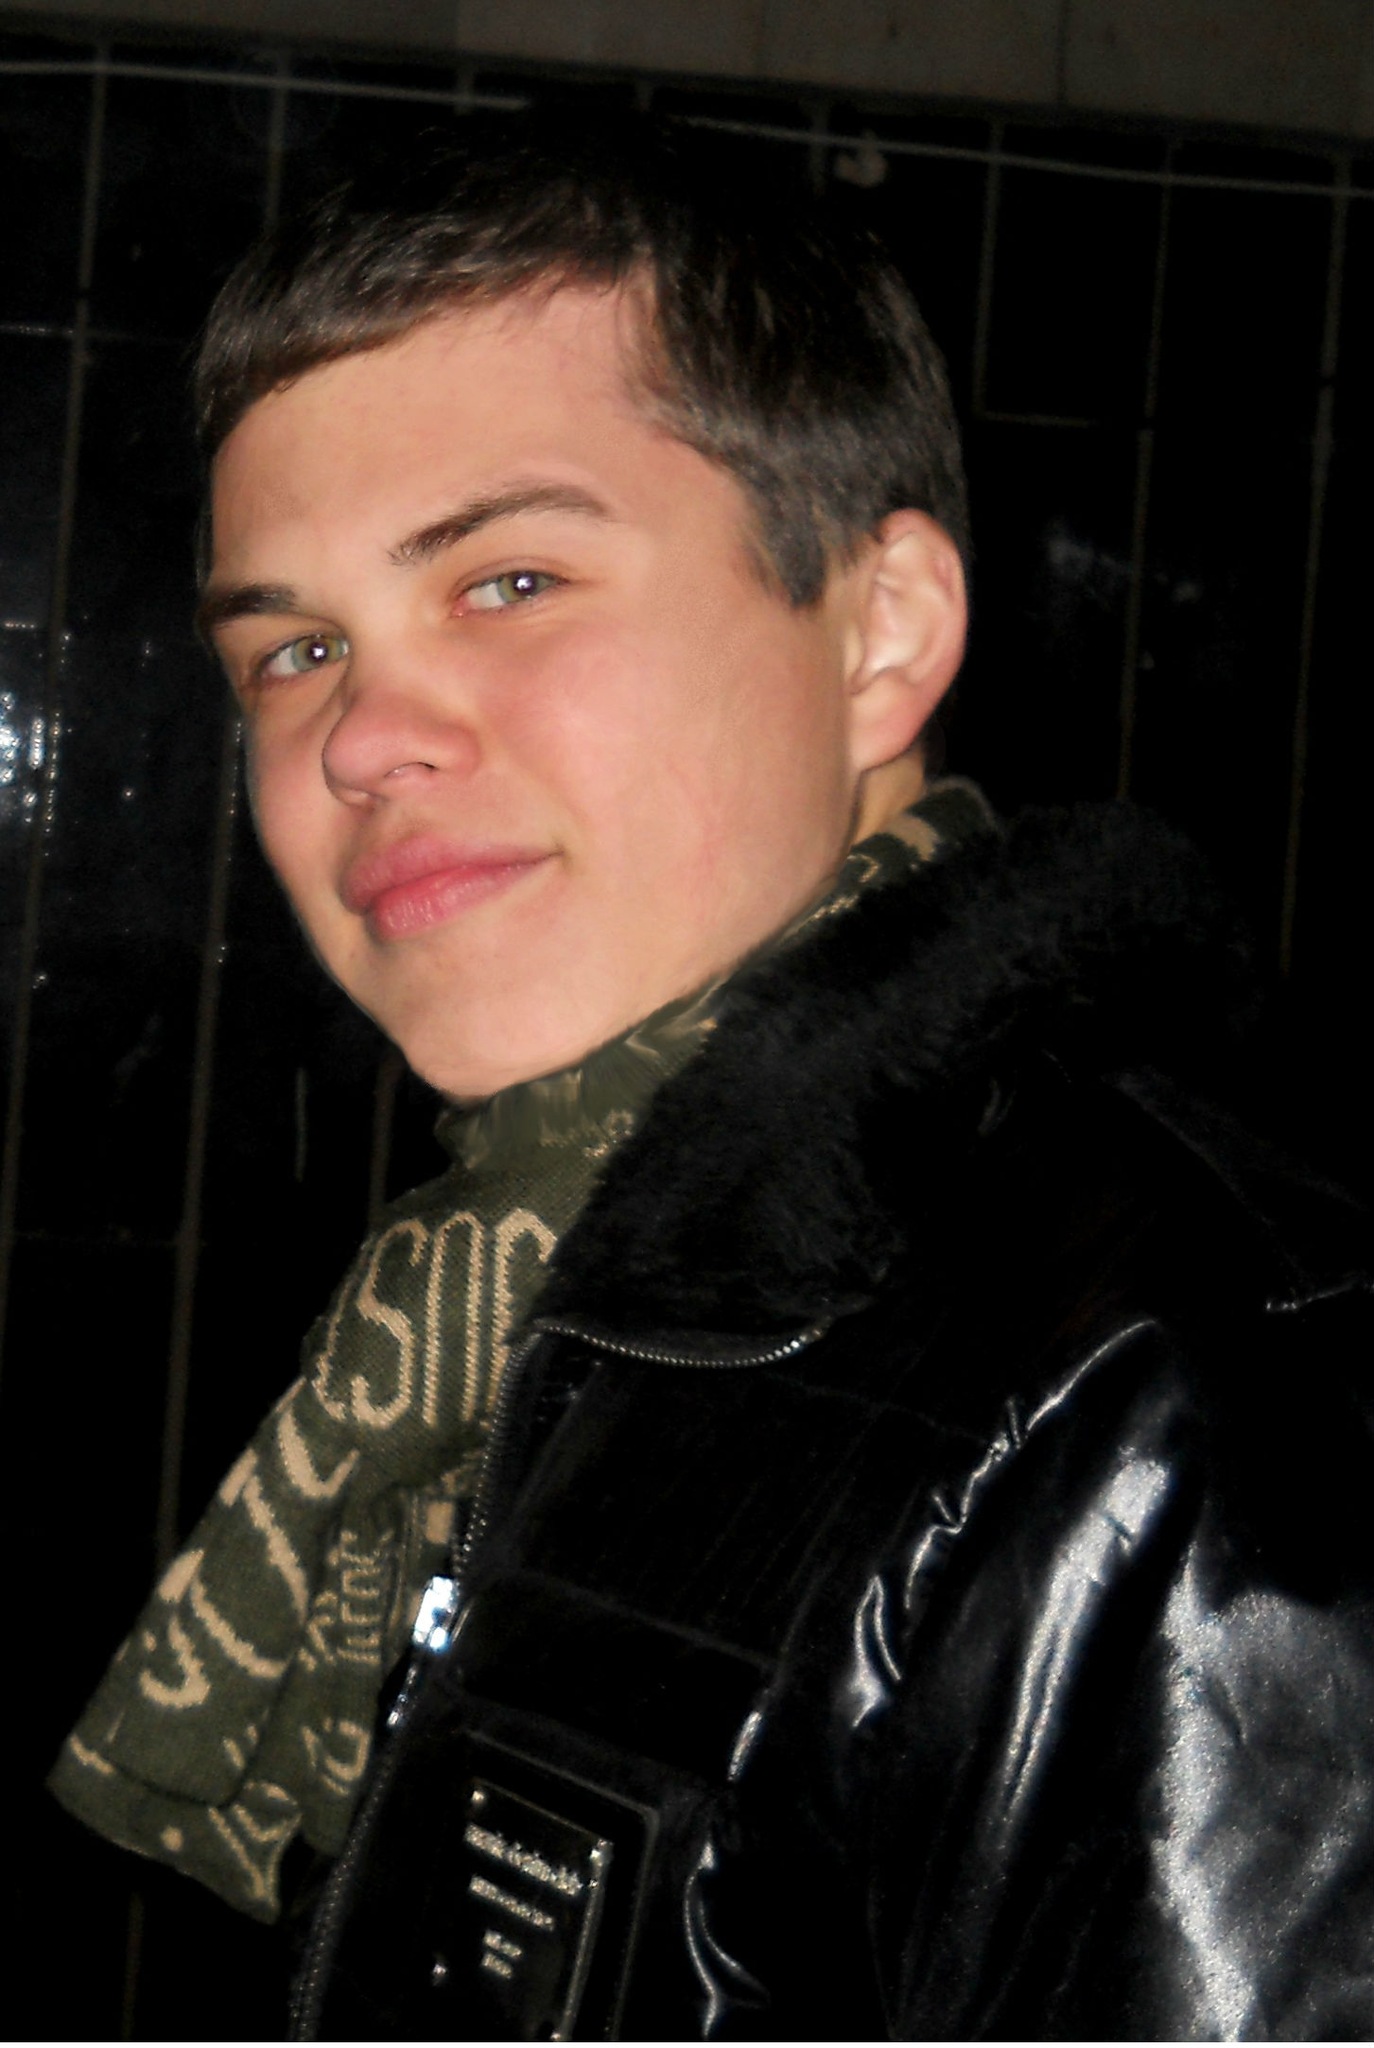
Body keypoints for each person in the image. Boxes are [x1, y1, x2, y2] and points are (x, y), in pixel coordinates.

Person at [52, 114, 1374, 2040]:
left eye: (508, 581)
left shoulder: (1169, 1391)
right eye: (299, 647)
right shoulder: (505, 1278)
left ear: (879, 634)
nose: (357, 738)